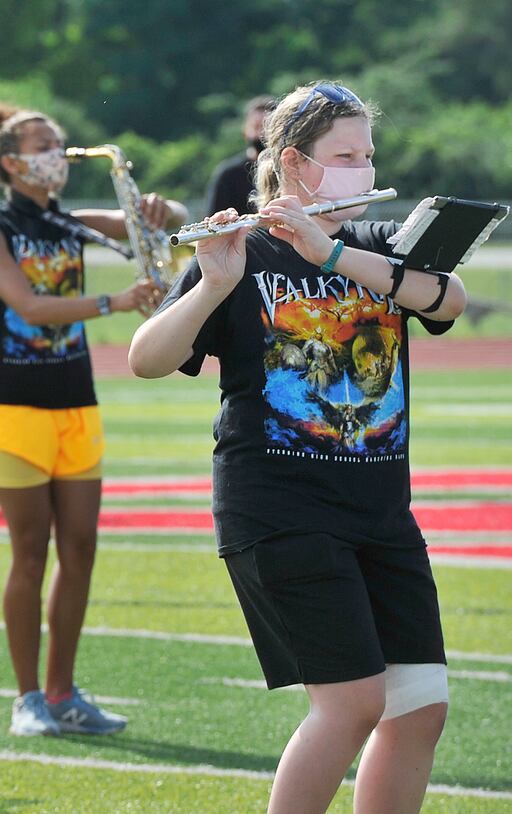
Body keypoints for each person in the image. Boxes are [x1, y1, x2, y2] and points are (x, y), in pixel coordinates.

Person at [129, 81, 463, 813]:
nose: (364, 169)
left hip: (380, 509)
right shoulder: (240, 249)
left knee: (420, 705)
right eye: (346, 155)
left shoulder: (374, 247)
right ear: (295, 162)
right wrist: (212, 285)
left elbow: (447, 298)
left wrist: (333, 251)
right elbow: (147, 359)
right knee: (350, 704)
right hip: (280, 509)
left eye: (369, 154)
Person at [0, 101, 183, 738]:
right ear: (10, 161)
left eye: (58, 144)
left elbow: (140, 224)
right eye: (42, 146)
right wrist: (117, 301)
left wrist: (160, 214)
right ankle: (27, 698)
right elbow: (28, 306)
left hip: (75, 402)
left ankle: (64, 692)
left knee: (80, 550)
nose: (56, 156)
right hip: (14, 404)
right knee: (30, 553)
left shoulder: (66, 222)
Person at [205, 95, 276, 217]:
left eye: (268, 127)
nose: (263, 134)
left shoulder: (290, 169)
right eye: (257, 127)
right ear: (245, 131)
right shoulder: (228, 175)